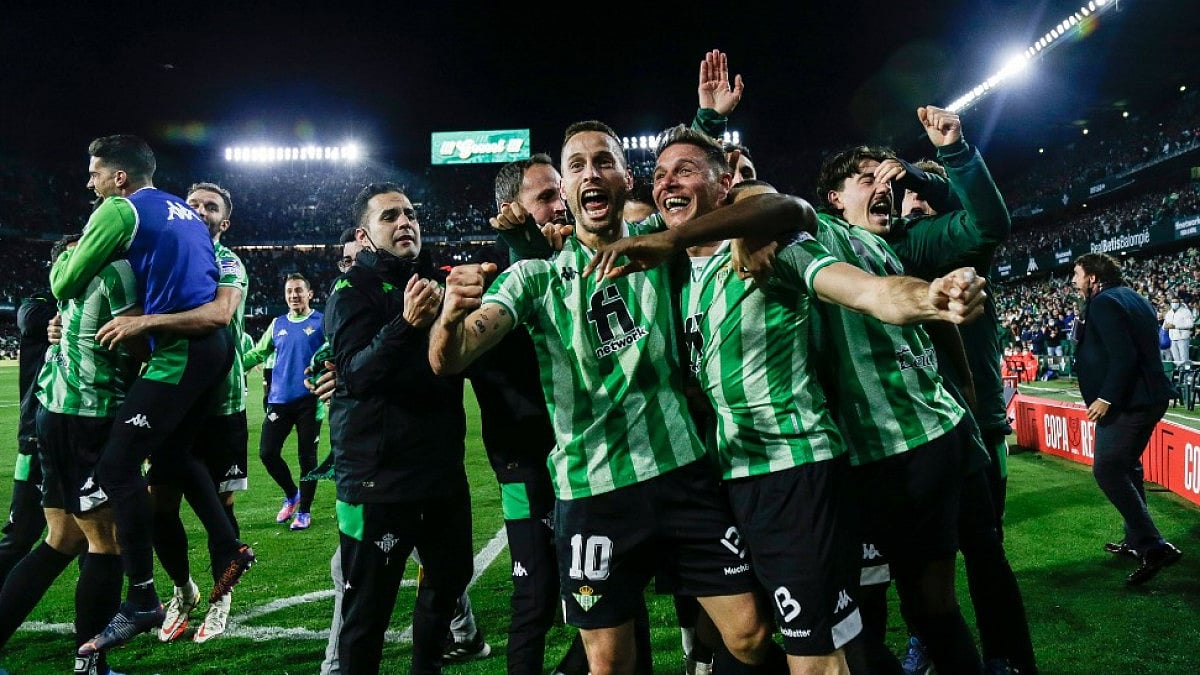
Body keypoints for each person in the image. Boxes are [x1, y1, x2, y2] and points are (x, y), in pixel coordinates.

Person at [592, 125, 987, 674]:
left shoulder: (771, 247)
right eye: (659, 175)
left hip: (809, 469)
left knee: (860, 634)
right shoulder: (670, 270)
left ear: (730, 186)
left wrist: (931, 298)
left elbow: (865, 289)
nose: (667, 184)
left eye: (684, 171)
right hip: (729, 478)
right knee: (750, 639)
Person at [432, 119, 816, 675]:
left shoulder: (663, 239)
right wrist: (450, 318)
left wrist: (679, 234)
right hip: (593, 491)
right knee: (609, 664)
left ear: (625, 178)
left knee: (752, 636)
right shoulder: (535, 279)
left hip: (682, 473)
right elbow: (453, 356)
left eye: (604, 161)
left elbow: (786, 209)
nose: (592, 172)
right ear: (564, 191)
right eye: (578, 165)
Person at [51, 135, 252, 658]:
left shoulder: (122, 208)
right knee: (173, 457)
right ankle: (228, 548)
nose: (90, 184)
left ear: (120, 178)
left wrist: (69, 263)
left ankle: (142, 596)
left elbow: (65, 284)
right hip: (206, 354)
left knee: (117, 470)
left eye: (95, 173)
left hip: (183, 350)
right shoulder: (178, 211)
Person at [867, 106, 1037, 675]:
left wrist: (946, 160)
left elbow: (985, 219)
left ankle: (1005, 660)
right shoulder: (854, 251)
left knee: (984, 553)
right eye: (898, 194)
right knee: (915, 564)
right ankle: (929, 638)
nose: (906, 208)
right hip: (903, 435)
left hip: (973, 424)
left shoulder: (939, 242)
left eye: (919, 200)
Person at [813, 136, 991, 673]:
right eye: (867, 180)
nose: (882, 188)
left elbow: (984, 228)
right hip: (879, 458)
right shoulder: (819, 234)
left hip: (919, 447)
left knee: (925, 607)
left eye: (887, 180)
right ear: (834, 198)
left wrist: (966, 392)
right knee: (881, 614)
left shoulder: (895, 244)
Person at [325, 182, 472, 674]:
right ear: (365, 236)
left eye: (410, 213)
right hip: (378, 480)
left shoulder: (437, 281)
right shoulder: (351, 291)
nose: (405, 221)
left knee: (451, 579)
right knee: (368, 611)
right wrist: (407, 323)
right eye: (389, 216)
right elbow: (357, 376)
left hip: (440, 473)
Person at [0, 236, 131, 675]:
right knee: (104, 542)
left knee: (62, 539)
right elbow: (33, 317)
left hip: (52, 420)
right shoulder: (82, 288)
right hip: (80, 422)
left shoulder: (71, 299)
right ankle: (90, 666)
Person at [148, 181, 251, 644]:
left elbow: (218, 316)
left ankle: (220, 596)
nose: (201, 211)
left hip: (222, 406)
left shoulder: (227, 261)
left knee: (221, 506)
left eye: (211, 207)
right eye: (193, 205)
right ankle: (182, 589)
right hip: (174, 401)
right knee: (160, 503)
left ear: (223, 223)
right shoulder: (165, 256)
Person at [1072, 253, 1183, 585]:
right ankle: (1136, 539)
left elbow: (1124, 354)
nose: (1074, 282)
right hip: (1147, 397)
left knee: (1107, 468)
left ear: (1093, 277)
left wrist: (1106, 398)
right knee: (1127, 466)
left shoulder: (1104, 303)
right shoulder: (1134, 297)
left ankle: (1153, 545)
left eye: (1076, 275)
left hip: (1129, 402)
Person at [244, 273, 325, 531]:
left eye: (299, 291)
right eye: (290, 291)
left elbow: (334, 353)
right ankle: (292, 494)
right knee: (267, 453)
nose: (294, 296)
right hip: (279, 401)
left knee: (307, 458)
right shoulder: (277, 323)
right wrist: (232, 363)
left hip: (309, 402)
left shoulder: (321, 322)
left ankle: (304, 511)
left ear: (309, 294)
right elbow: (258, 352)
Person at [0, 286, 56, 587]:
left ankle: (97, 617)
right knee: (21, 534)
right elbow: (28, 317)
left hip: (81, 436)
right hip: (33, 438)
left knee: (97, 533)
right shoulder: (38, 304)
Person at [1161, 295, 1194, 366]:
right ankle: (1179, 374)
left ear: (1179, 303)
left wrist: (1175, 326)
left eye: (1176, 302)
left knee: (1184, 359)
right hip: (1172, 338)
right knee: (1176, 360)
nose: (1174, 303)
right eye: (1173, 302)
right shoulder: (1169, 313)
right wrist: (1165, 327)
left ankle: (1186, 375)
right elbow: (1164, 326)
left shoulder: (1185, 311)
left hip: (1182, 338)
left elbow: (1191, 324)